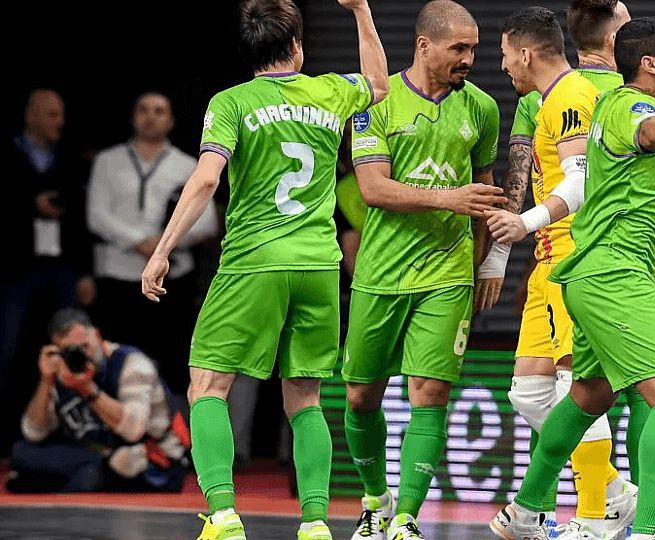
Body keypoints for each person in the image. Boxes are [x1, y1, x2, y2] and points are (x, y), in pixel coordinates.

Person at [140, 1, 389, 538]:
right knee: (305, 399)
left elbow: (206, 180)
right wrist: (362, 11)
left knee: (207, 386)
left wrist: (162, 248)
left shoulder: (231, 102)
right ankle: (316, 522)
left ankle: (223, 515)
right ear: (296, 46)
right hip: (319, 265)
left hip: (253, 262)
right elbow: (379, 84)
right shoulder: (330, 91)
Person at [491, 16, 655, 540]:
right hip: (616, 276)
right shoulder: (631, 105)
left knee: (588, 395)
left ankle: (524, 510)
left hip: (590, 275)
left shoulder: (618, 103)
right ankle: (647, 530)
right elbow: (645, 131)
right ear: (649, 63)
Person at [342, 1, 505, 538]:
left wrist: (485, 264)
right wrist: (448, 198)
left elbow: (484, 195)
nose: (469, 59)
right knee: (360, 396)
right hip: (381, 271)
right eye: (459, 48)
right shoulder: (375, 102)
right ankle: (375, 500)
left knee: (430, 394)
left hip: (447, 273)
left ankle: (406, 518)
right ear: (423, 45)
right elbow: (373, 188)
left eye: (474, 49)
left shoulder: (482, 108)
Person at [480, 3, 636, 537]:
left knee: (578, 387)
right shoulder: (548, 99)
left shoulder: (570, 96)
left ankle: (593, 516)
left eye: (504, 54)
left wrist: (522, 224)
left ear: (526, 53)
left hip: (575, 257)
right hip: (548, 259)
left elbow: (581, 180)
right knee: (528, 392)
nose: (502, 65)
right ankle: (612, 490)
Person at [87, 91, 217, 393]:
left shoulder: (187, 165)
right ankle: (119, 422)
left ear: (171, 121)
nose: (150, 116)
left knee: (173, 361)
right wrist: (139, 241)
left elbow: (207, 221)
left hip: (172, 279)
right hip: (118, 276)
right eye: (143, 109)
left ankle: (175, 424)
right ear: (133, 117)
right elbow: (96, 215)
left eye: (159, 111)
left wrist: (164, 243)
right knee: (117, 363)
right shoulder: (108, 161)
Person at [1, 89, 93, 450]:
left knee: (69, 346)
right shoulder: (8, 154)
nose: (60, 122)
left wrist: (84, 271)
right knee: (9, 350)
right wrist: (30, 204)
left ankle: (67, 433)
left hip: (61, 266)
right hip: (15, 269)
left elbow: (82, 217)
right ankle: (8, 436)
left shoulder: (69, 158)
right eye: (52, 114)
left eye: (61, 114)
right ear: (31, 116)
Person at [8, 308, 187, 494]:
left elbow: (133, 430)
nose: (81, 355)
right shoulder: (62, 370)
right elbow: (34, 433)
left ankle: (59, 482)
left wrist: (87, 389)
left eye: (85, 346)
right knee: (21, 452)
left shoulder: (132, 364)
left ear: (97, 336)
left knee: (89, 476)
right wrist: (46, 381)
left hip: (147, 458)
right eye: (70, 351)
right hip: (97, 455)